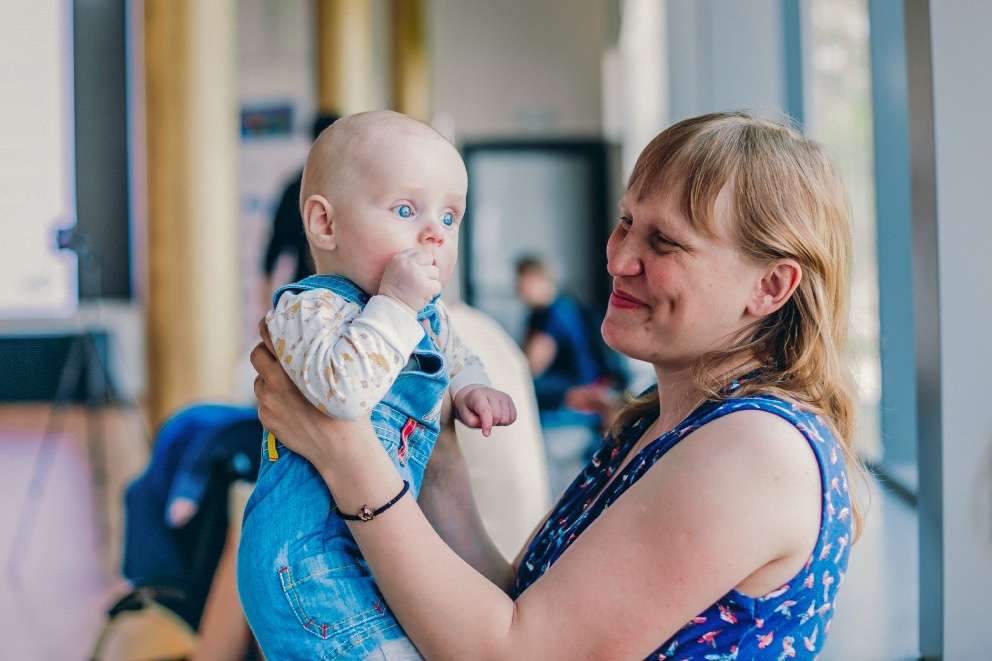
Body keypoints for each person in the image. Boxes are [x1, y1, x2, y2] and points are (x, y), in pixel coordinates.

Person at [250, 112, 863, 659]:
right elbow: (515, 609)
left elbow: (519, 654)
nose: (619, 259)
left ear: (771, 287)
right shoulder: (652, 427)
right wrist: (431, 447)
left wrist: (346, 453)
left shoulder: (756, 451)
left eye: (665, 242)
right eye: (626, 223)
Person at [237, 111, 517, 660]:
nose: (434, 232)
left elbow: (456, 356)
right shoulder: (309, 308)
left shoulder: (425, 314)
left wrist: (471, 388)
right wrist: (394, 306)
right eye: (406, 210)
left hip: (369, 541)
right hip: (306, 559)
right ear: (325, 224)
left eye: (451, 216)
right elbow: (342, 395)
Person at [515, 255, 619, 413]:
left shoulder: (551, 316)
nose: (518, 291)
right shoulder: (570, 304)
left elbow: (529, 368)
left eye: (523, 283)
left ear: (540, 280)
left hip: (571, 404)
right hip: (590, 392)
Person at [259, 112, 339, 301]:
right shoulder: (297, 187)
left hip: (307, 292)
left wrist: (266, 297)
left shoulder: (296, 186)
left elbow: (275, 245)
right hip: (321, 287)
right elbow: (276, 243)